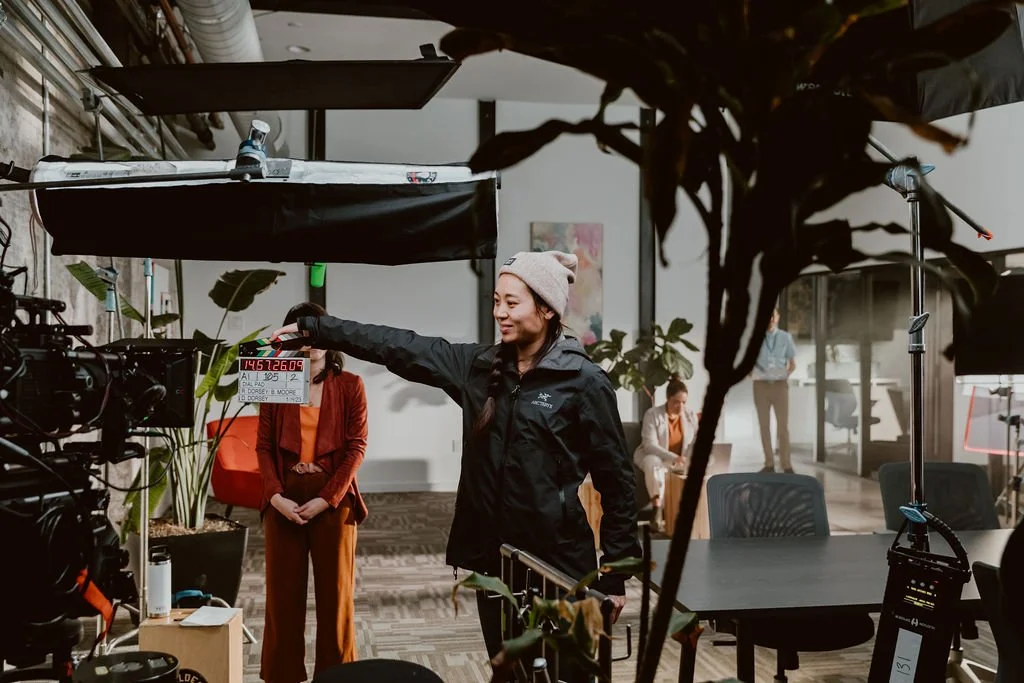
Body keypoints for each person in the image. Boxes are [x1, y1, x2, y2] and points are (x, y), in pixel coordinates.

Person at [271, 251, 640, 675]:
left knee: (564, 675)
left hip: (558, 567)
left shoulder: (583, 382)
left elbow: (617, 483)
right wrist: (318, 329)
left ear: (547, 308)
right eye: (496, 300)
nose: (500, 312)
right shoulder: (477, 368)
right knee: (507, 671)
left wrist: (612, 578)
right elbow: (397, 345)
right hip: (495, 562)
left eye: (512, 303)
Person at [256, 302, 369, 683]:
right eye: (301, 332)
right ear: (290, 338)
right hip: (283, 497)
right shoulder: (275, 382)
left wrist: (327, 498)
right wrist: (274, 496)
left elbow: (356, 447)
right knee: (282, 600)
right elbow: (263, 447)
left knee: (335, 601)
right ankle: (282, 675)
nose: (311, 340)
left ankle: (338, 676)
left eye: (317, 330)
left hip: (333, 498)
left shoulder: (350, 385)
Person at [634, 374, 699, 530]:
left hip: (680, 461)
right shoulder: (653, 414)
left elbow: (697, 439)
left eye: (683, 402)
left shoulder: (690, 415)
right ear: (668, 399)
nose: (680, 407)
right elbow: (650, 445)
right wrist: (675, 457)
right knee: (653, 463)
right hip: (655, 457)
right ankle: (657, 510)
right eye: (676, 402)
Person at [752, 307, 797, 473]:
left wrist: (784, 374)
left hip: (780, 385)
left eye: (773, 315)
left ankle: (786, 464)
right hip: (760, 386)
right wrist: (754, 374)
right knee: (764, 425)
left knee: (783, 427)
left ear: (777, 317)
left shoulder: (785, 337)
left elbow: (792, 364)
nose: (770, 318)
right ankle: (769, 463)